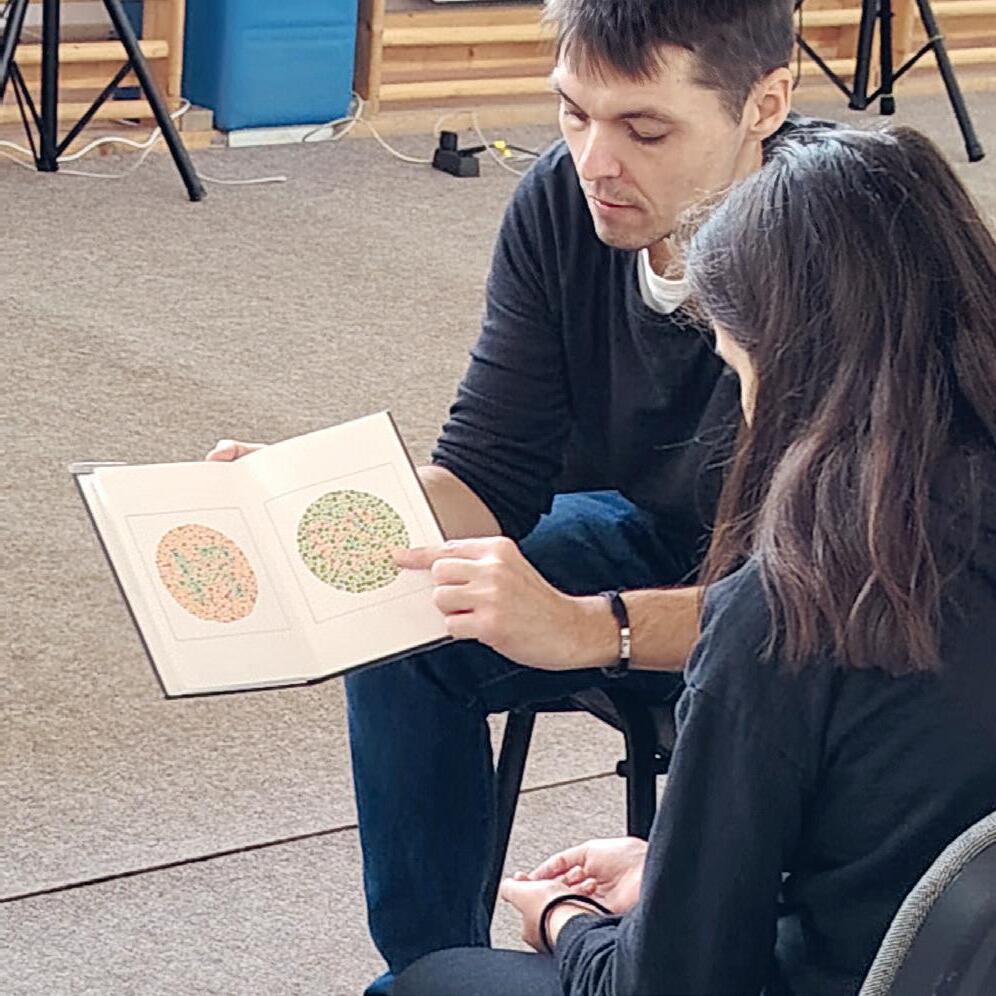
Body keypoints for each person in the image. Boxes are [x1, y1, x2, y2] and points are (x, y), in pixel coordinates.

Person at [207, 1, 822, 989]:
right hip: (660, 533)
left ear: (766, 103)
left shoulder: (838, 247)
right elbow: (487, 474)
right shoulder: (563, 204)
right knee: (414, 604)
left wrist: (587, 628)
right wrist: (323, 504)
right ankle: (437, 969)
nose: (594, 162)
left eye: (644, 129)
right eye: (573, 113)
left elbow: (821, 605)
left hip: (816, 621)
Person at [391, 125, 996, 996]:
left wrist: (569, 923)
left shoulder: (787, 610)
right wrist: (668, 870)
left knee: (439, 979)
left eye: (738, 371)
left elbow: (668, 983)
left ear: (787, 369)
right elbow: (908, 811)